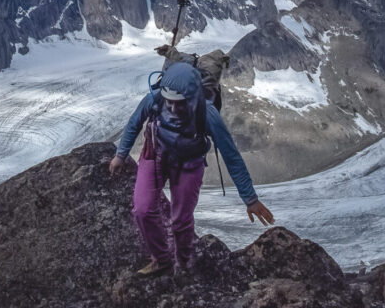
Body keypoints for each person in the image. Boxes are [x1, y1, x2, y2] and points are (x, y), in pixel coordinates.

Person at [109, 61, 275, 276]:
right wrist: (120, 155)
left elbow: (231, 155)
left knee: (181, 221)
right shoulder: (154, 99)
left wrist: (250, 199)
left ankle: (183, 262)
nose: (173, 108)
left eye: (179, 103)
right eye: (169, 101)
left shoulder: (207, 113)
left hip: (189, 164)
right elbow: (134, 123)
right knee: (142, 210)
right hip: (156, 155)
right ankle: (162, 260)